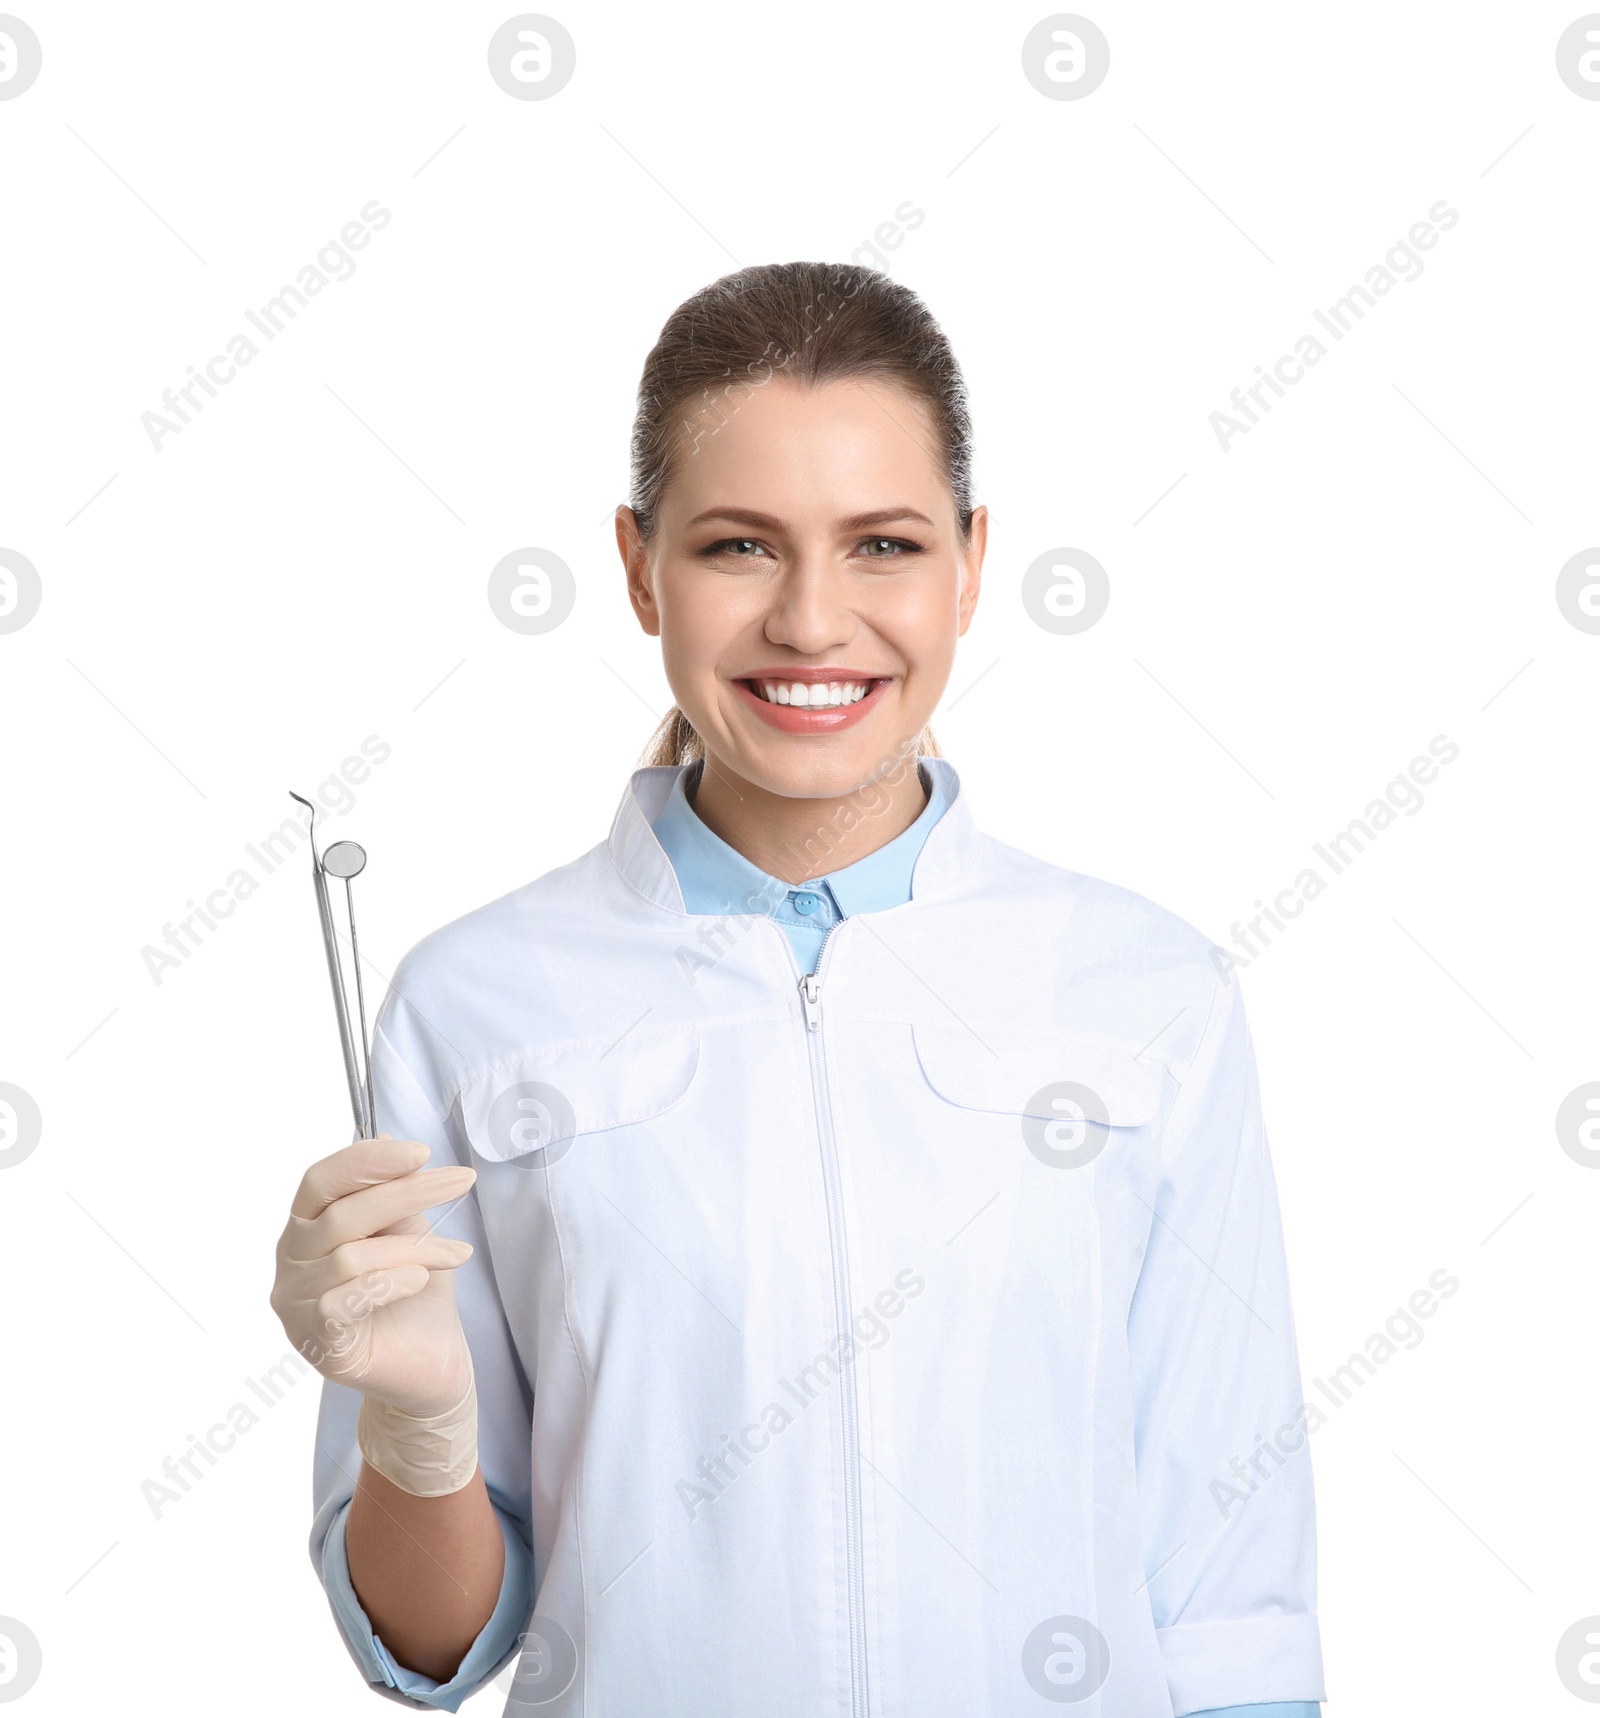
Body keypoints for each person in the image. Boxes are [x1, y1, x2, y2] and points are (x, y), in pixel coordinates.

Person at [271, 261, 1325, 1716]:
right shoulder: (477, 1002)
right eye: (740, 547)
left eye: (883, 543)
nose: (815, 623)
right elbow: (435, 1648)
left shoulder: (1149, 994)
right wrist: (418, 1421)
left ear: (970, 562)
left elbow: (1230, 1595)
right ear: (641, 566)